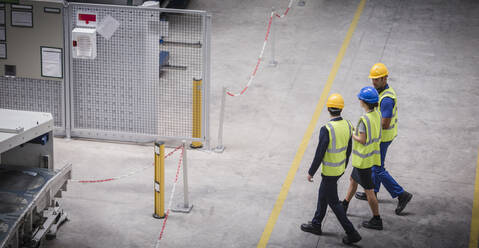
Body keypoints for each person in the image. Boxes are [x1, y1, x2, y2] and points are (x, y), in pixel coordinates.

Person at [300, 94, 362, 245]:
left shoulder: (326, 129)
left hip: (329, 171)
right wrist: (344, 165)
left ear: (328, 109)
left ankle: (352, 232)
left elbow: (319, 153)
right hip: (339, 168)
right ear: (341, 109)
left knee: (334, 203)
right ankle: (316, 224)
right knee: (323, 194)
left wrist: (311, 172)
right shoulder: (348, 124)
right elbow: (349, 148)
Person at [354, 63, 413, 215]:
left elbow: (385, 124)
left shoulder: (386, 99)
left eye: (377, 79)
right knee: (376, 165)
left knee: (377, 168)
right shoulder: (381, 92)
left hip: (383, 138)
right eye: (373, 79)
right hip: (382, 137)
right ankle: (373, 191)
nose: (374, 82)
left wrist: (370, 126)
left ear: (385, 78)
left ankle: (401, 194)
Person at [341, 86, 383, 230]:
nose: (359, 100)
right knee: (353, 180)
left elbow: (362, 140)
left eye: (360, 98)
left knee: (369, 191)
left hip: (363, 161)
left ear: (364, 102)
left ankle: (377, 219)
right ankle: (345, 204)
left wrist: (352, 132)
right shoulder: (376, 114)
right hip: (370, 157)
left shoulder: (364, 120)